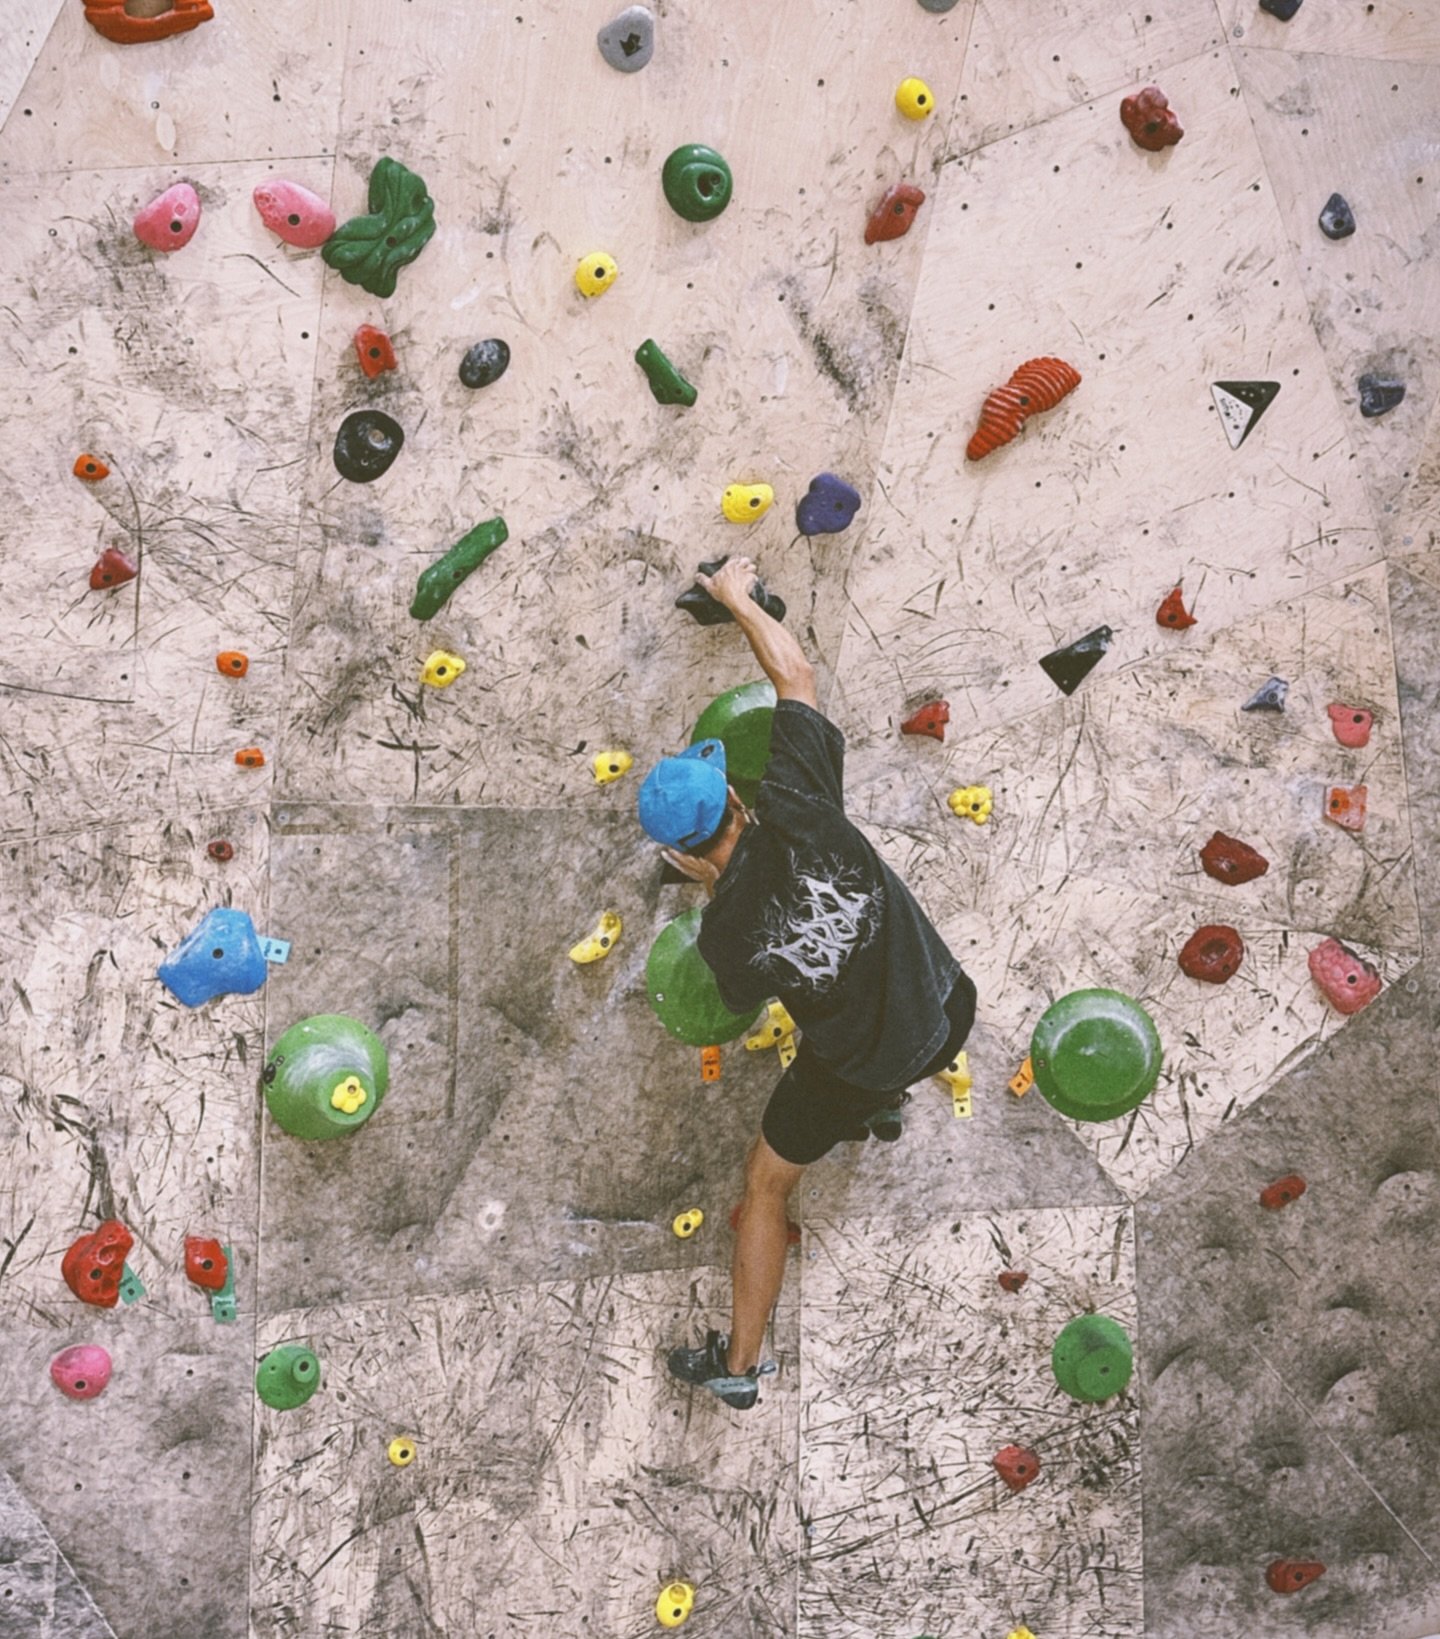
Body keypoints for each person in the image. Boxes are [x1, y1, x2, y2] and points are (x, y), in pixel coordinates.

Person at [637, 556, 977, 1410]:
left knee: (765, 1183)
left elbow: (745, 987)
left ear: (682, 856)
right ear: (739, 803)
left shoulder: (723, 936)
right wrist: (737, 595)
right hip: (947, 1007)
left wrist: (720, 888)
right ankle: (889, 1099)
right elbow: (793, 672)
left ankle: (741, 1365)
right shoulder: (799, 799)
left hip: (856, 1060)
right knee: (882, 1030)